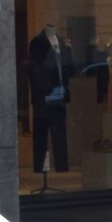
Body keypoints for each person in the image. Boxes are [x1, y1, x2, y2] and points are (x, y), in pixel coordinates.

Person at [26, 24, 75, 192]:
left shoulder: (62, 42)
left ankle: (62, 166)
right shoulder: (37, 42)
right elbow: (34, 67)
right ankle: (40, 168)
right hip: (43, 94)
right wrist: (41, 88)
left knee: (59, 130)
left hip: (60, 92)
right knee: (41, 132)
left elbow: (68, 66)